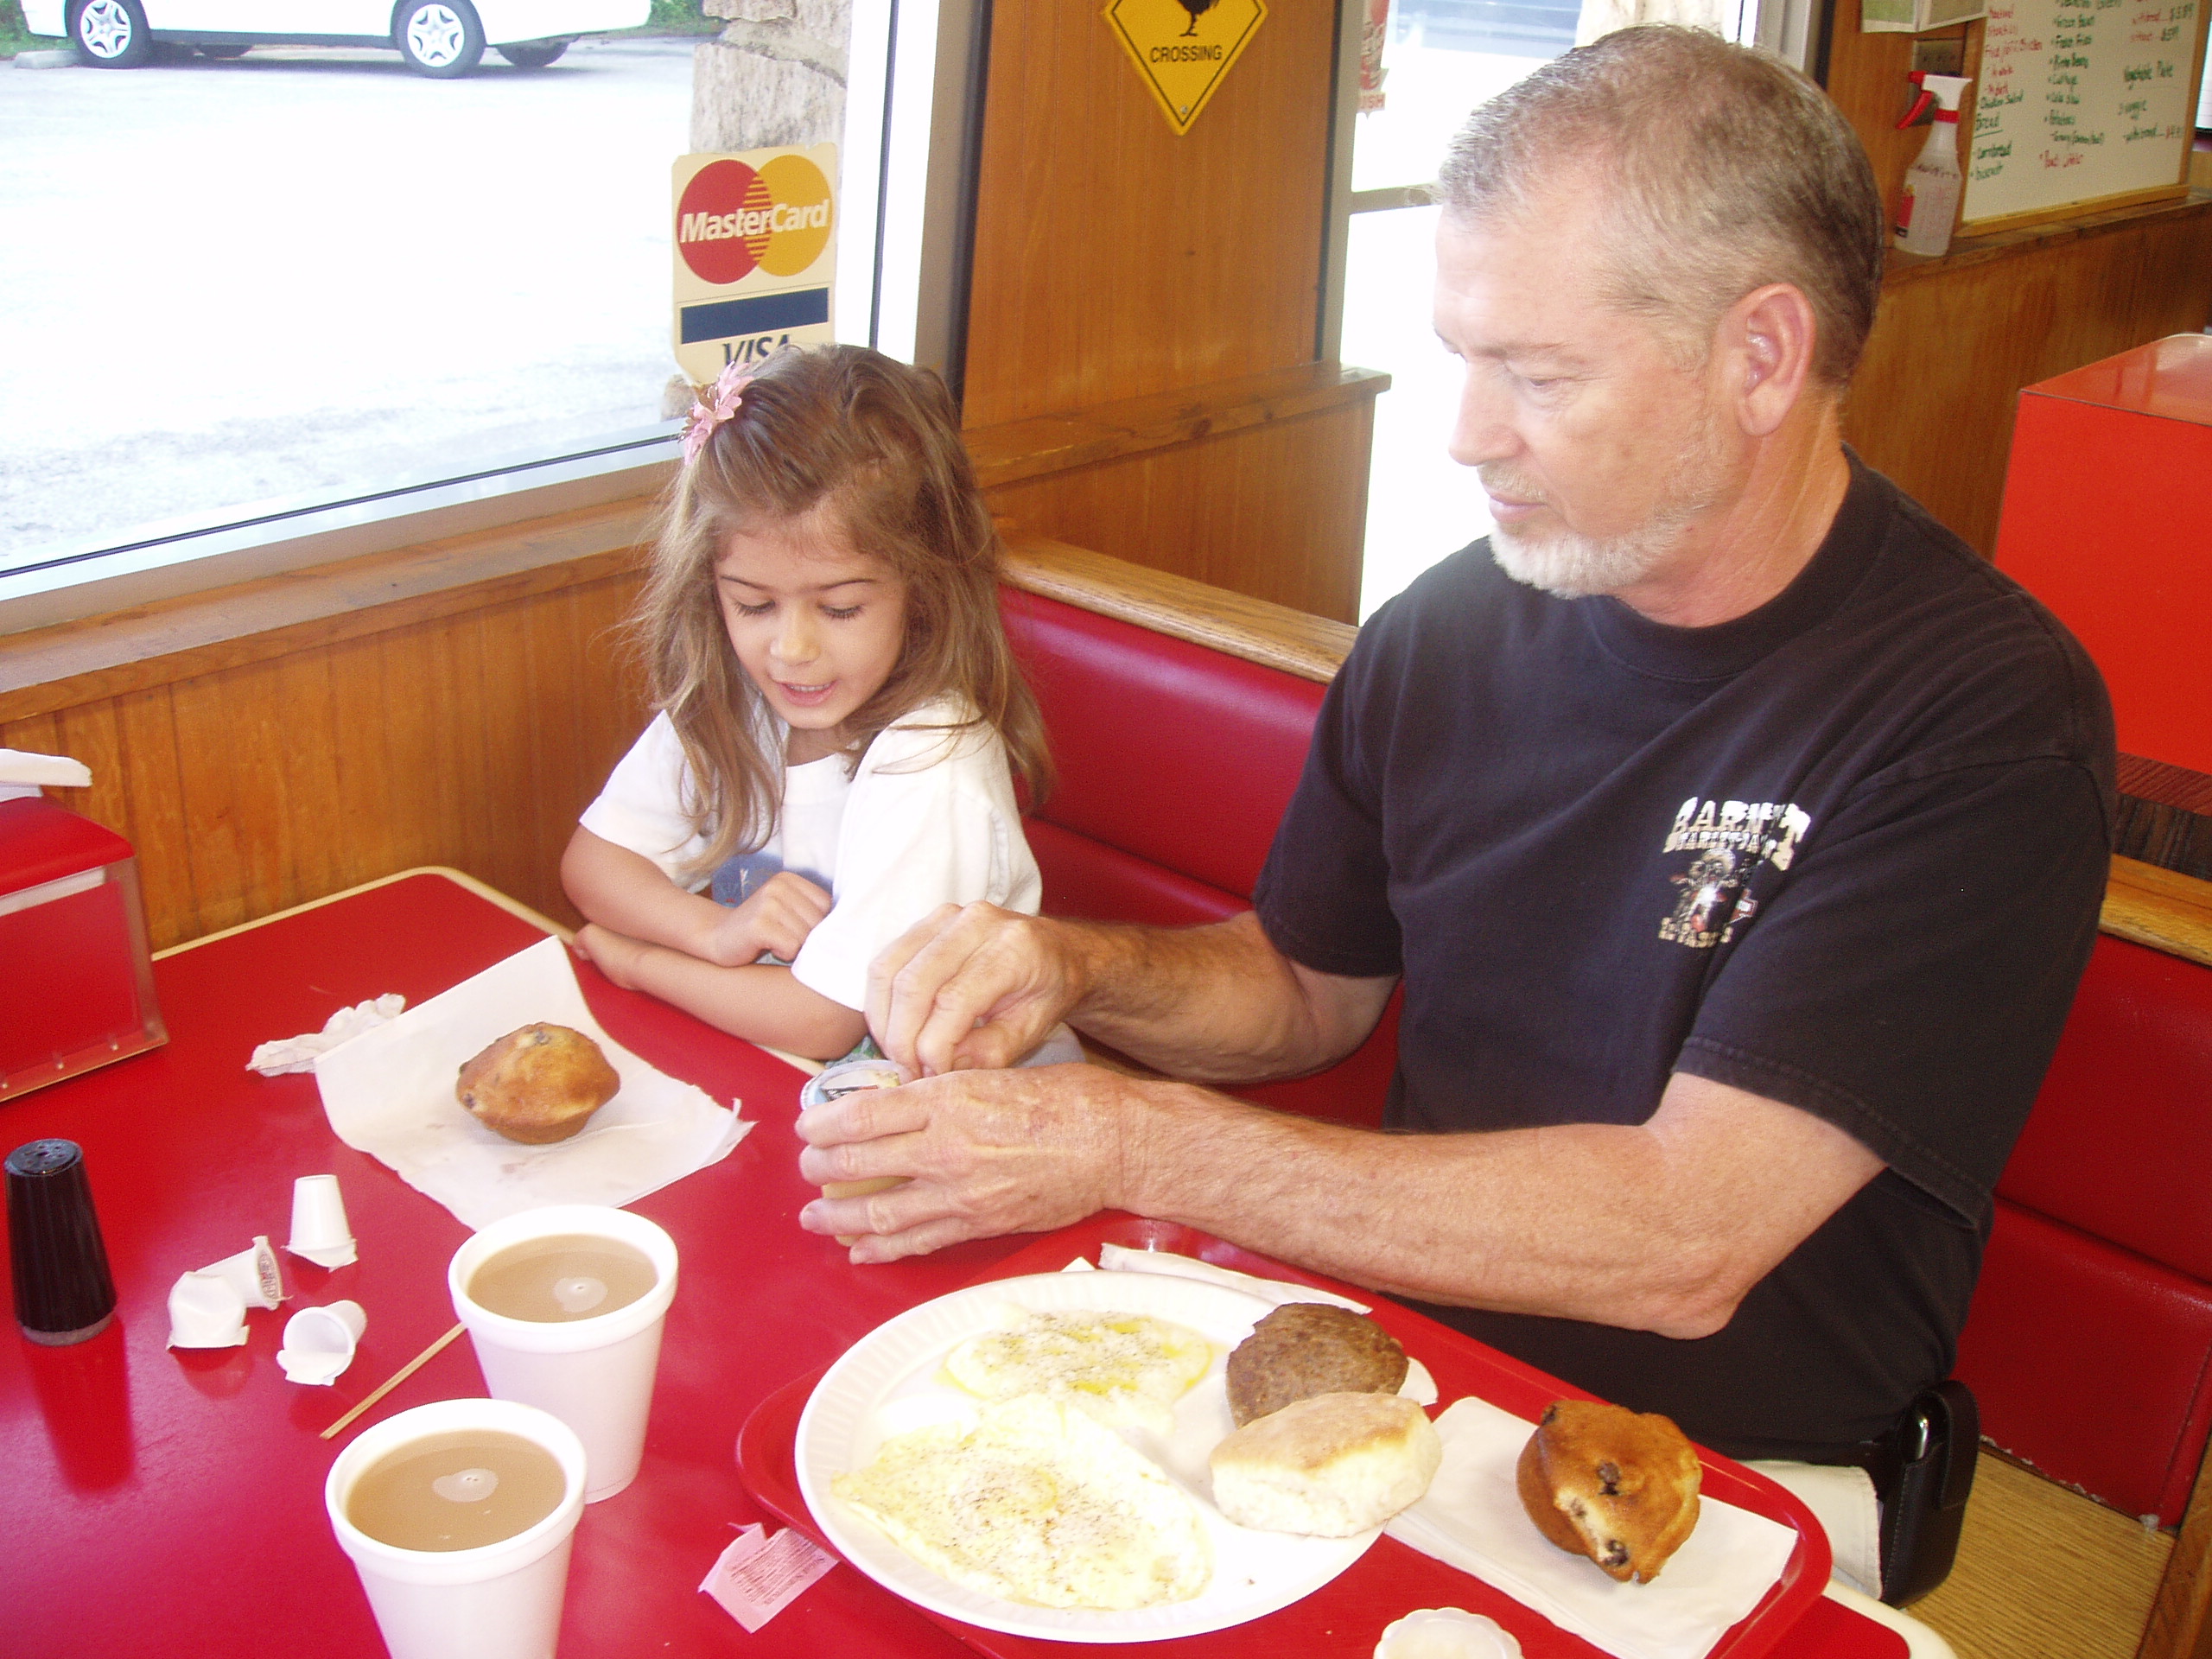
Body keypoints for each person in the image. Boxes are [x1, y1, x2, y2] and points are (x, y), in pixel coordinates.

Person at [793, 26, 2113, 1593]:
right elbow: (1306, 988)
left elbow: (1684, 1240)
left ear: (1762, 357)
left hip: (1726, 1488)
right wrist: (1075, 968)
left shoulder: (1979, 722)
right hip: (1396, 1375)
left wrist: (1128, 1140)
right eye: (1462, 359)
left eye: (1537, 376)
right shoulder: (1451, 628)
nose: (1467, 433)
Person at [562, 345, 1060, 1063]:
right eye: (753, 605)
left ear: (924, 591)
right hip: (778, 1063)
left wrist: (640, 963)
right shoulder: (738, 702)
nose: (791, 650)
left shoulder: (932, 758)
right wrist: (711, 933)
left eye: (840, 609)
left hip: (958, 1093)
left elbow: (822, 1022)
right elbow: (594, 865)